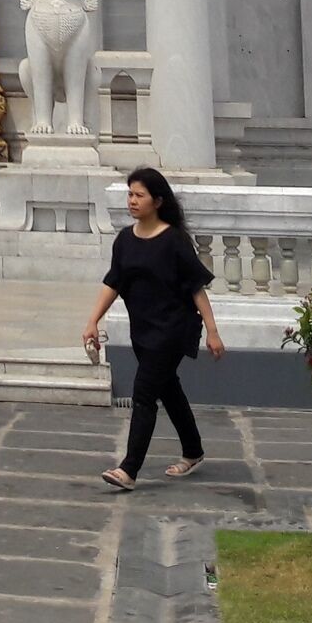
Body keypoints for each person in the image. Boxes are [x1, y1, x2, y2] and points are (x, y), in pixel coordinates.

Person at [83, 166, 225, 490]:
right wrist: (92, 321)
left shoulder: (174, 241)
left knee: (144, 393)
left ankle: (129, 469)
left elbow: (196, 288)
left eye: (139, 195)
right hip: (143, 331)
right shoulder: (124, 240)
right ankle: (193, 449)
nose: (132, 200)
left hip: (173, 329)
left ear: (157, 201)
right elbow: (113, 283)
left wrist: (213, 331)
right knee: (168, 389)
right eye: (130, 194)